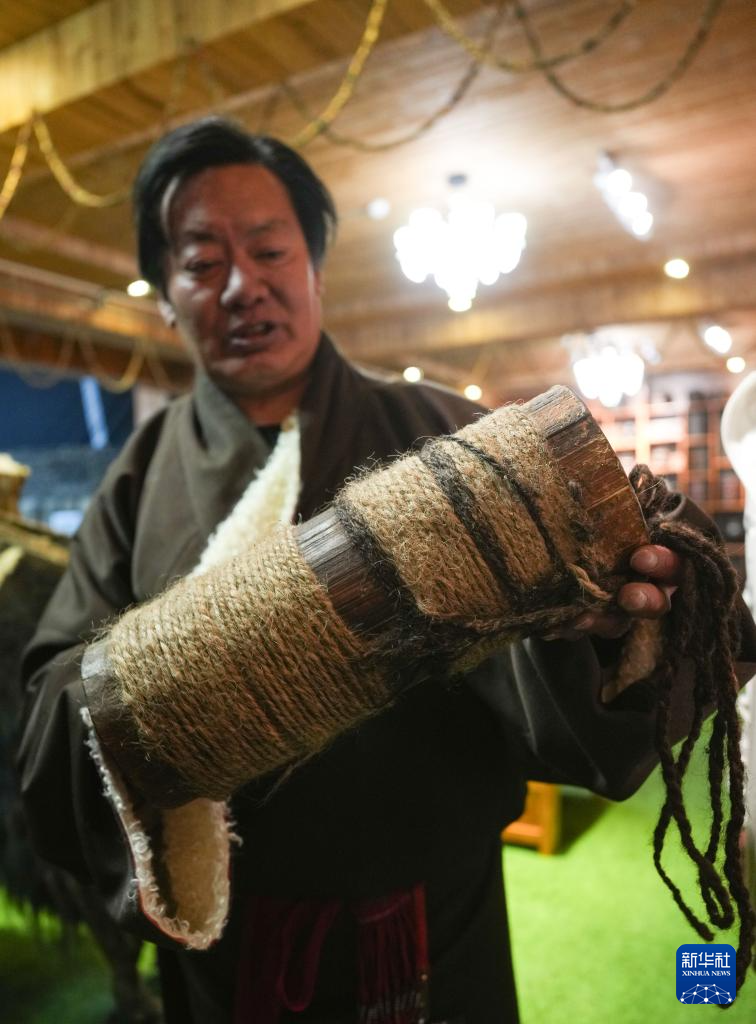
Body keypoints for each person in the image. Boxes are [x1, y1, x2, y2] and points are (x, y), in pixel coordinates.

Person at [17, 118, 756, 1024]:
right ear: (165, 296)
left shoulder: (444, 437)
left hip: (436, 940)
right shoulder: (136, 481)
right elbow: (53, 709)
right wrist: (174, 691)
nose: (243, 285)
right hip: (226, 964)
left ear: (315, 269)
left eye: (270, 250)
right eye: (202, 263)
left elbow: (560, 687)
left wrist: (608, 627)